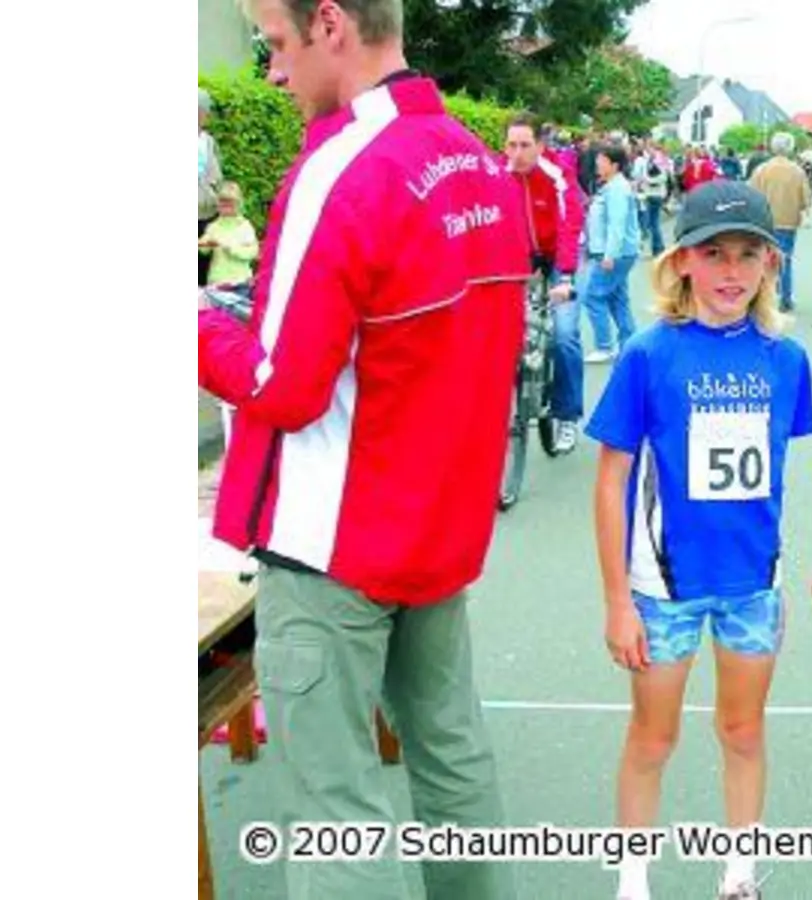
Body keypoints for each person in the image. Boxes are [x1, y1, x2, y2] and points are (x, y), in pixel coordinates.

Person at [196, 2, 525, 898]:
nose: (271, 71)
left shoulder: (340, 167)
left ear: (330, 23)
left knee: (337, 816)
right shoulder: (481, 163)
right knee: (453, 763)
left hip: (333, 538)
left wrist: (191, 326)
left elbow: (282, 384)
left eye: (273, 44)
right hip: (434, 527)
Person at [586, 180, 812, 900]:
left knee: (743, 731)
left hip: (752, 585)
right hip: (664, 590)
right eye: (713, 253)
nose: (731, 271)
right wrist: (618, 601)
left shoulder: (785, 361)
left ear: (770, 266)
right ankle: (632, 876)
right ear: (681, 261)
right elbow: (610, 483)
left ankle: (740, 870)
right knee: (653, 737)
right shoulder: (649, 355)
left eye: (749, 254)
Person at [505, 114, 587, 453]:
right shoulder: (499, 174)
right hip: (522, 257)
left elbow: (571, 223)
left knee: (564, 334)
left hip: (559, 255)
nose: (517, 153)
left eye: (525, 145)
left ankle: (567, 414)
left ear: (541, 146)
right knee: (502, 331)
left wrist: (566, 276)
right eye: (511, 144)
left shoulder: (558, 174)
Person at [581, 143, 643, 363]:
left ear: (614, 165)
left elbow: (616, 225)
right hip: (614, 252)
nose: (597, 164)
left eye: (601, 161)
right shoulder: (611, 186)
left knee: (593, 296)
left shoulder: (617, 189)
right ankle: (629, 343)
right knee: (618, 299)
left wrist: (609, 255)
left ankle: (604, 345)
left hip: (615, 254)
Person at [747, 131, 812, 314]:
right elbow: (805, 199)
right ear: (790, 148)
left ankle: (762, 297)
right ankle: (785, 298)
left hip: (764, 221)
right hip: (788, 222)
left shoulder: (761, 170)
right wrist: (803, 211)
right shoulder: (797, 171)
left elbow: (750, 195)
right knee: (785, 260)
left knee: (763, 259)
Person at [198, 181, 258, 287]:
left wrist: (231, 249)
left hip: (240, 281)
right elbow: (204, 251)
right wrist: (204, 244)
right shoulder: (213, 226)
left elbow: (252, 252)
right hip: (217, 281)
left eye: (230, 203)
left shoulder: (244, 226)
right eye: (222, 202)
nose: (225, 206)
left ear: (238, 204)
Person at [198, 88, 225, 286]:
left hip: (208, 213)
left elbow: (217, 176)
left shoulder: (208, 141)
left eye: (203, 112)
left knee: (204, 264)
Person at [631, 140, 669, 257]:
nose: (647, 150)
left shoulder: (658, 160)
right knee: (653, 223)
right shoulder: (652, 160)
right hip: (651, 194)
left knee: (651, 223)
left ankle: (658, 247)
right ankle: (658, 248)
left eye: (648, 148)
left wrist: (646, 180)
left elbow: (663, 178)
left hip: (654, 194)